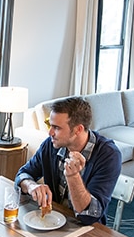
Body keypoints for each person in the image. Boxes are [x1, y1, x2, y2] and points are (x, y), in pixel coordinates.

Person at [15, 96, 122, 225]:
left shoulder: (109, 155)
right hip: (52, 220)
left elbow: (90, 215)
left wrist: (73, 176)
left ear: (78, 129)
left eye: (57, 128)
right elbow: (22, 174)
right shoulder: (50, 145)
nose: (50, 133)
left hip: (87, 230)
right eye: (50, 125)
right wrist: (32, 186)